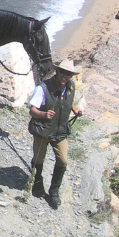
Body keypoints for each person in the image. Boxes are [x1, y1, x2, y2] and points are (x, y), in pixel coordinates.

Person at [28, 59, 83, 209]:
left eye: (69, 74)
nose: (65, 76)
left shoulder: (70, 86)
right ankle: (37, 183)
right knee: (39, 159)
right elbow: (32, 110)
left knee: (63, 160)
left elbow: (68, 100)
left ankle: (54, 191)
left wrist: (74, 110)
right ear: (57, 71)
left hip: (60, 130)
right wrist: (44, 114)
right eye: (63, 72)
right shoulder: (43, 88)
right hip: (43, 129)